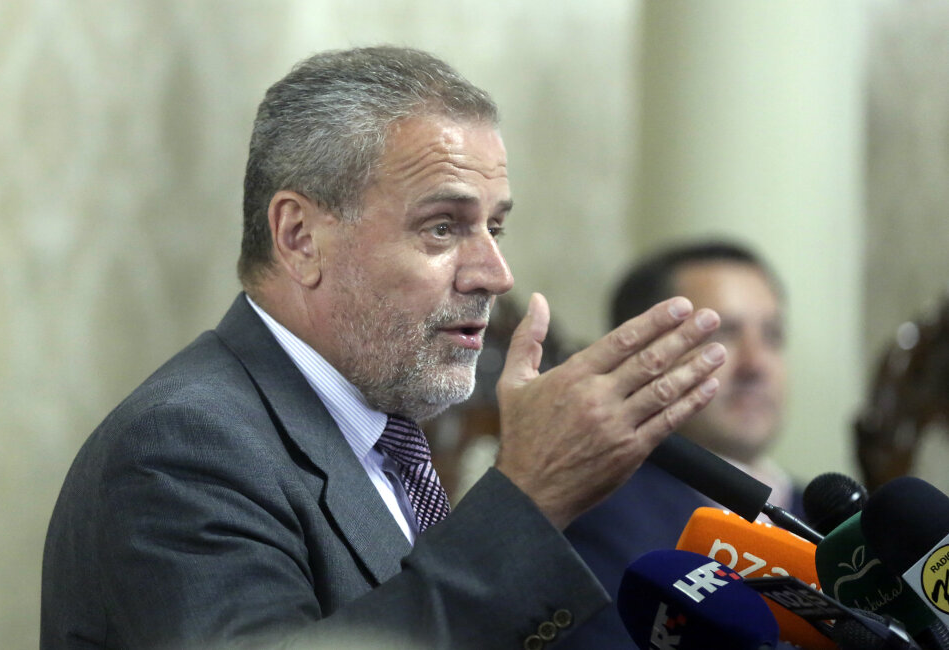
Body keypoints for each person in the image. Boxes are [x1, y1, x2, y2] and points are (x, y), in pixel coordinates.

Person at [40, 47, 727, 650]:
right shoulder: (183, 448)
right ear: (300, 238)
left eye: (494, 228)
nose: (495, 274)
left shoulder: (385, 432)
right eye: (442, 228)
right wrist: (529, 497)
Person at [559, 240, 805, 649]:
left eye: (772, 335)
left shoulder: (832, 521)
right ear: (642, 359)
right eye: (723, 335)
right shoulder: (596, 517)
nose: (756, 363)